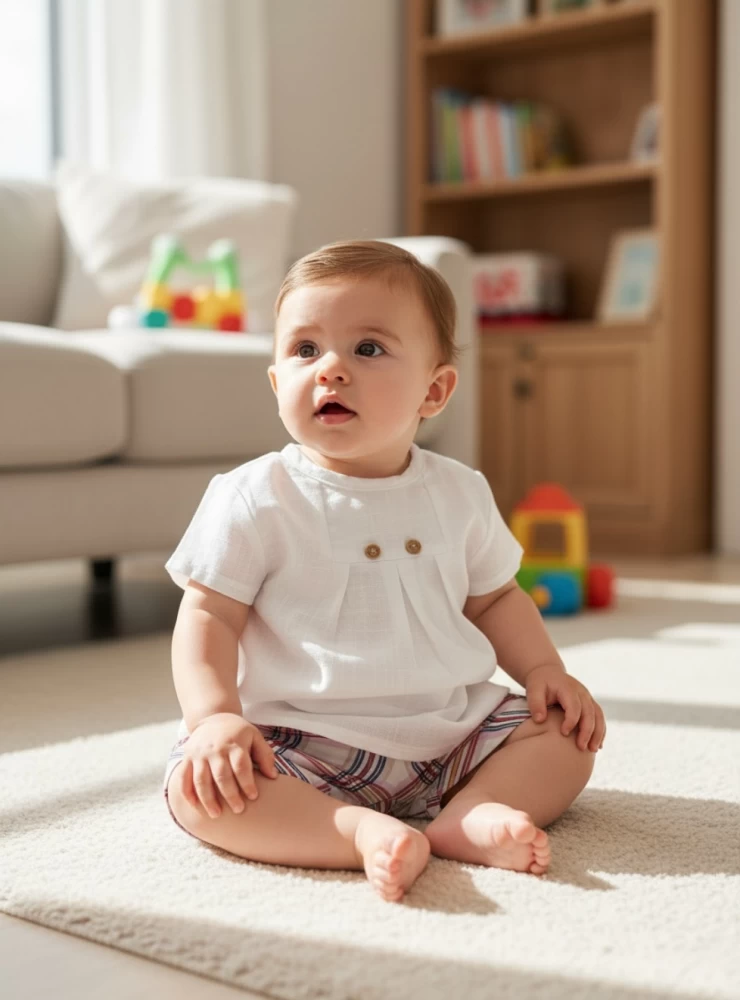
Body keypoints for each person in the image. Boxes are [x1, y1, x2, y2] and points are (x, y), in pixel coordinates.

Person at [162, 240, 606, 903]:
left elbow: (495, 600)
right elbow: (209, 615)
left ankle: (470, 814)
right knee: (199, 791)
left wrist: (544, 672)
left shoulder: (459, 491)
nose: (331, 370)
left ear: (434, 390)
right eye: (306, 351)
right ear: (279, 382)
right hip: (302, 742)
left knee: (569, 740)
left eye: (367, 349)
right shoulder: (256, 495)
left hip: (453, 732)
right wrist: (216, 717)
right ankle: (351, 830)